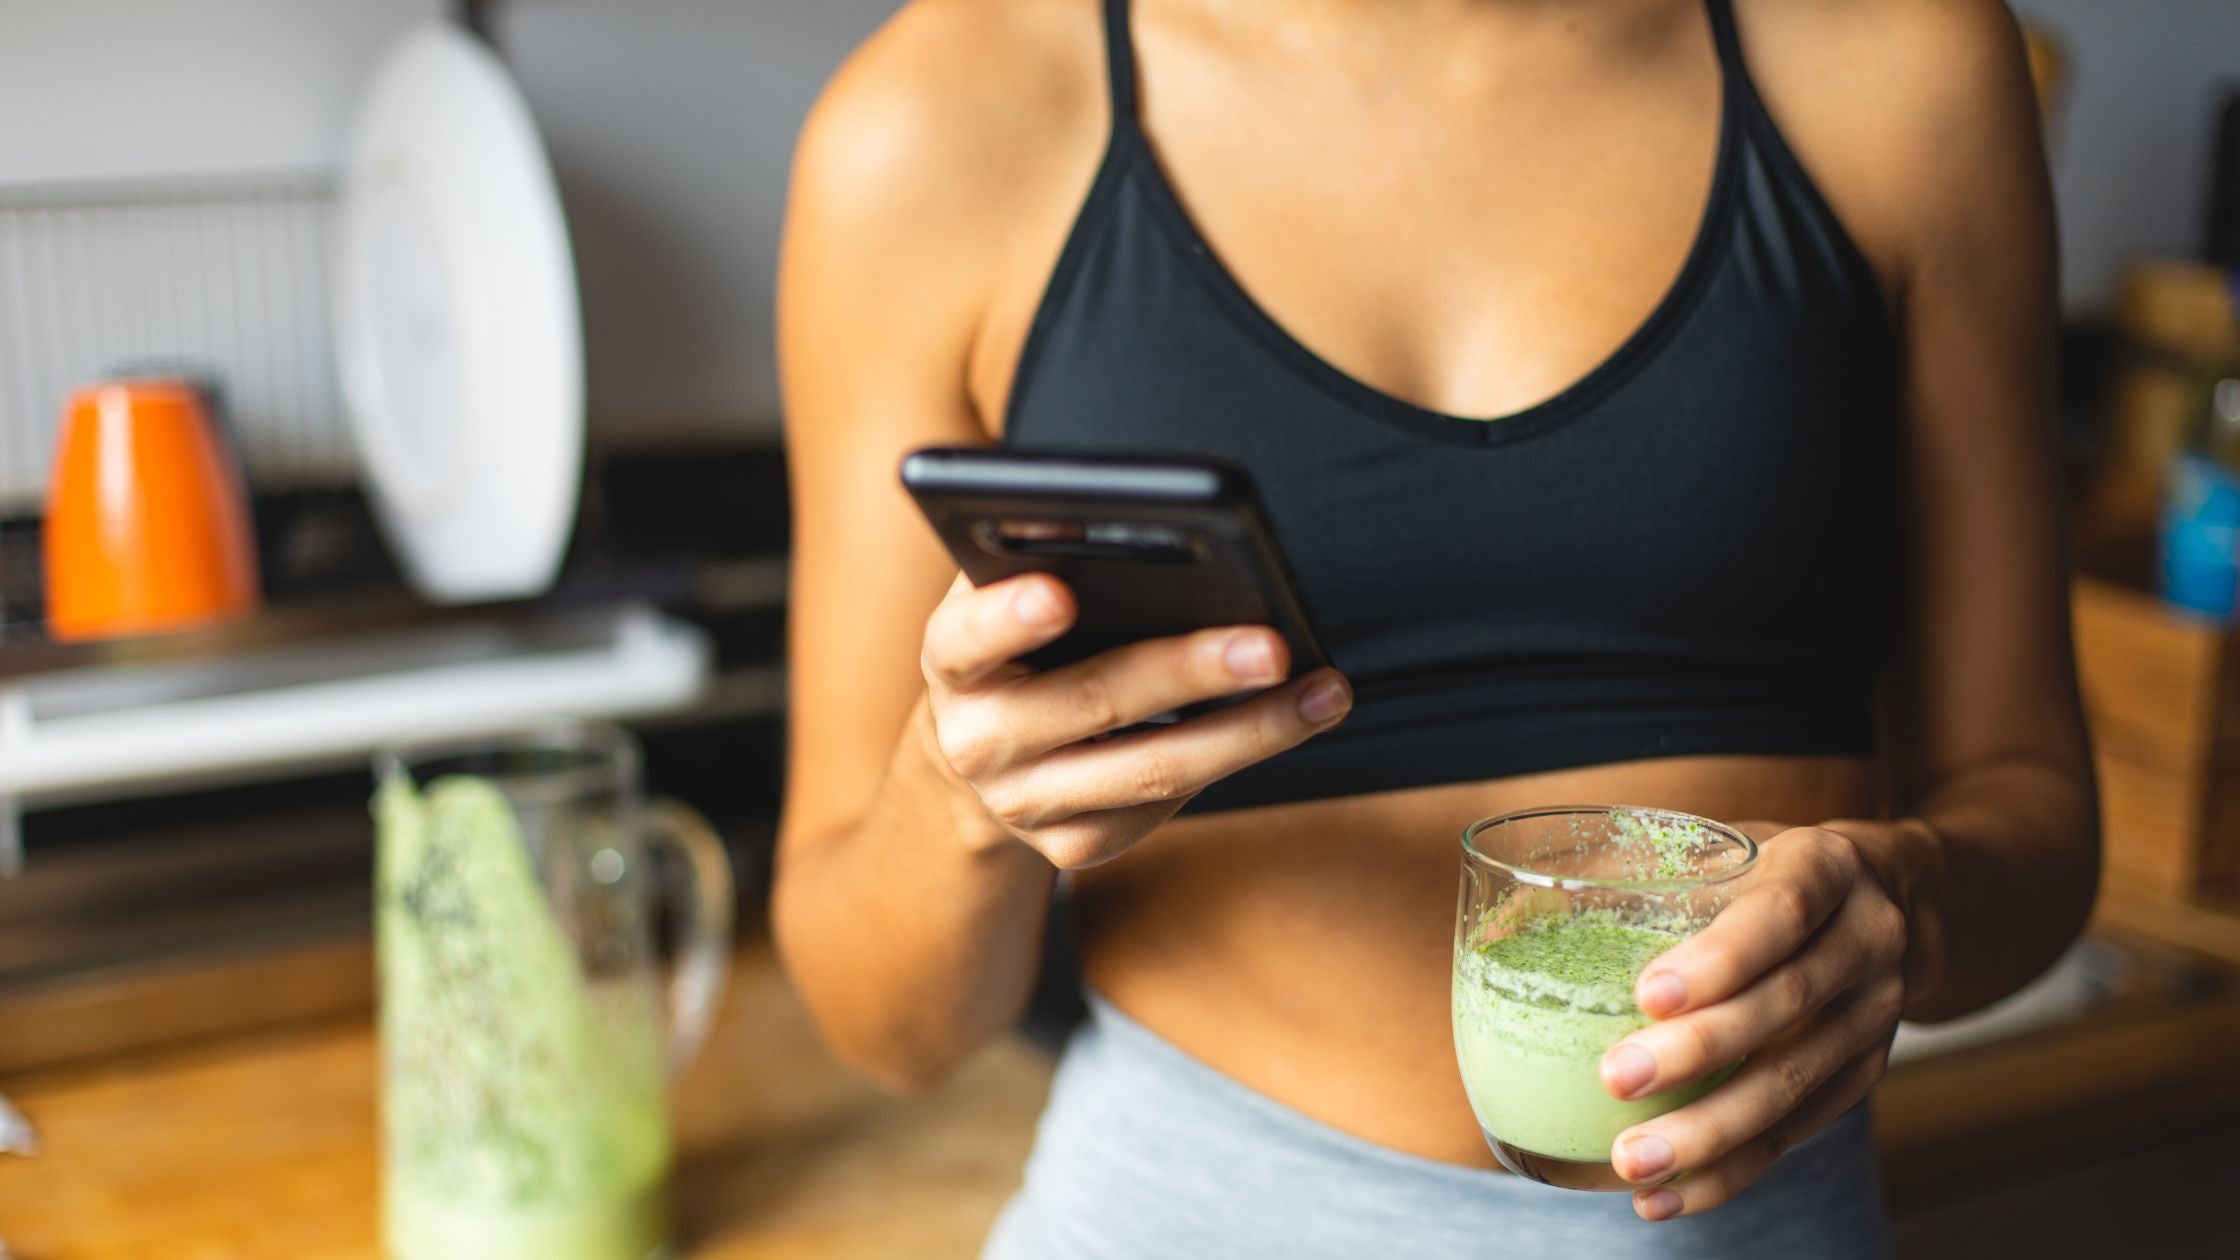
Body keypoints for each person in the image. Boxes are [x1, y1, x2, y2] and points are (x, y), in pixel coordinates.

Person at [773, 0, 2097, 1254]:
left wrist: (1907, 907)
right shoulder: (937, 125)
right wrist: (958, 804)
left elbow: (2034, 813)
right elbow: (884, 1025)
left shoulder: (1897, 63)